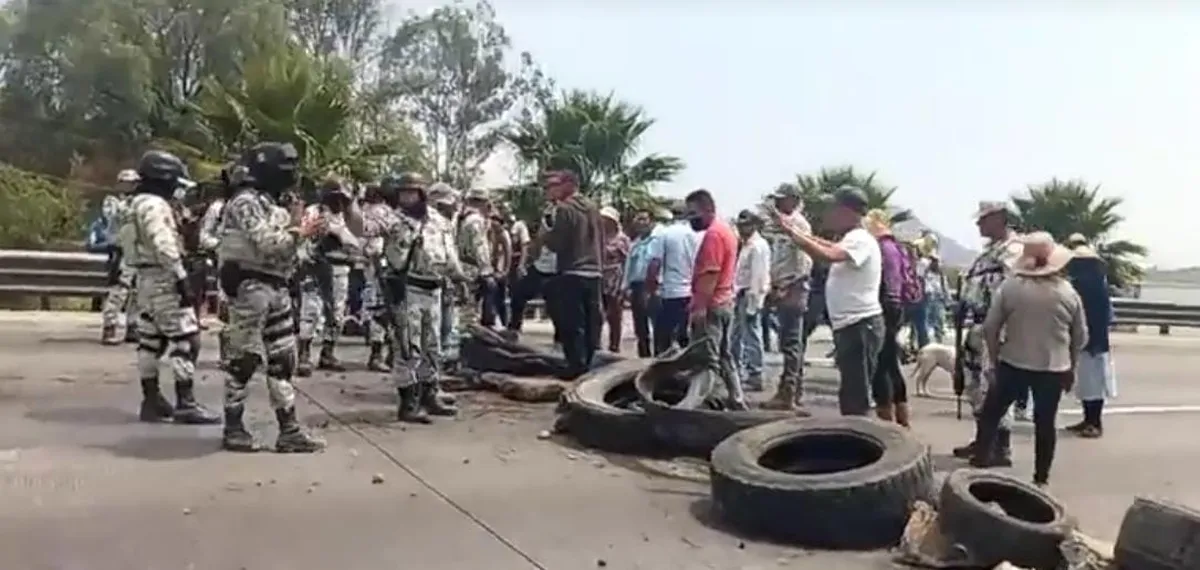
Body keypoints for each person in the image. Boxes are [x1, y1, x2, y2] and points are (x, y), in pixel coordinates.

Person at [218, 141, 326, 453]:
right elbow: (267, 243)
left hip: (277, 286)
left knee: (282, 360)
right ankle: (234, 427)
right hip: (250, 287)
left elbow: (290, 251)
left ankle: (289, 430)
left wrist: (306, 236)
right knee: (244, 359)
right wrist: (299, 231)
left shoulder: (274, 205)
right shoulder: (245, 203)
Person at [350, 172, 463, 422]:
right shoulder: (393, 219)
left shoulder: (438, 220)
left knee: (432, 345)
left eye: (412, 192)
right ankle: (408, 402)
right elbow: (363, 228)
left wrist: (459, 277)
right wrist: (351, 204)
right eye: (402, 193)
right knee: (408, 347)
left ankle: (430, 394)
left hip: (434, 288)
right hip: (407, 289)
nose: (407, 197)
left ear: (422, 194)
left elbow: (449, 252)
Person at [975, 232, 1086, 487]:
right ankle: (1041, 478)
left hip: (1013, 362)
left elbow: (990, 328)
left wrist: (993, 361)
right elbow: (1080, 336)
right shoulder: (1069, 293)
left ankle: (980, 463)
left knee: (991, 414)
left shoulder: (1010, 287)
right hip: (1053, 367)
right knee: (1045, 424)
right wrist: (1072, 367)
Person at [122, 150, 220, 426]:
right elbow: (162, 243)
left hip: (143, 279)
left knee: (150, 342)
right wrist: (180, 277)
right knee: (187, 340)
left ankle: (151, 400)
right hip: (164, 278)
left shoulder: (132, 204)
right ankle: (185, 402)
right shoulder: (154, 205)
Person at [773, 186, 883, 417]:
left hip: (860, 325)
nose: (829, 213)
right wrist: (795, 231)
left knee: (856, 395)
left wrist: (794, 235)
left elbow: (829, 255)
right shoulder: (851, 238)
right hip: (851, 325)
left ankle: (860, 443)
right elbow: (828, 246)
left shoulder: (860, 239)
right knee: (851, 392)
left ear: (846, 211)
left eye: (833, 208)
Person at [952, 201, 1024, 464]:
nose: (978, 225)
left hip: (998, 329)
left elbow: (1012, 290)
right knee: (976, 388)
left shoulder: (1013, 251)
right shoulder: (989, 252)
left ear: (1000, 219)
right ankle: (984, 439)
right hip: (977, 327)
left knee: (994, 387)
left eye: (984, 220)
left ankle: (999, 447)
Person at [685, 190, 744, 409]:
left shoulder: (713, 235)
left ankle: (694, 405)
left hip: (712, 304)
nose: (690, 218)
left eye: (693, 213)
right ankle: (737, 399)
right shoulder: (727, 231)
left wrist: (699, 307)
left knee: (706, 359)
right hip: (725, 302)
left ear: (708, 210)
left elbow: (710, 273)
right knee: (724, 355)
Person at [542, 170, 603, 378]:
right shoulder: (593, 208)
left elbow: (558, 243)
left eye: (555, 185)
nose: (552, 190)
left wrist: (545, 234)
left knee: (573, 323)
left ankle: (576, 367)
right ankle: (591, 363)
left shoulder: (564, 209)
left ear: (569, 184)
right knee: (591, 322)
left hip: (572, 271)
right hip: (594, 271)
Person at [296, 178, 360, 376]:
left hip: (340, 268)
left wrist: (339, 235)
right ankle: (304, 355)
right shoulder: (315, 212)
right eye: (335, 198)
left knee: (337, 312)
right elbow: (301, 238)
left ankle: (327, 352)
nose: (339, 203)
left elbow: (357, 242)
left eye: (342, 199)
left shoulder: (349, 217)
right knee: (311, 311)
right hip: (316, 267)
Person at [761, 183, 814, 411]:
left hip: (793, 288)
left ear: (793, 200)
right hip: (783, 287)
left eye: (782, 200)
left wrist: (786, 286)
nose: (778, 204)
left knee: (792, 343)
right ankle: (791, 390)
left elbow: (803, 262)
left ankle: (789, 392)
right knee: (789, 342)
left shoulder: (799, 225)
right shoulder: (784, 227)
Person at [865, 209, 918, 425]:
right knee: (890, 363)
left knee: (880, 366)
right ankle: (902, 416)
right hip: (896, 307)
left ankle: (886, 417)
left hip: (885, 306)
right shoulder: (896, 247)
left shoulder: (882, 248)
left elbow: (887, 281)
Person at [1063, 233, 1116, 439]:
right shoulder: (1090, 280)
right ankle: (1088, 419)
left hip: (1094, 339)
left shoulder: (1091, 283)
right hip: (1086, 337)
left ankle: (1095, 422)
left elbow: (1098, 314)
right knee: (1086, 382)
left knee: (1093, 382)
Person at [647, 202, 702, 355]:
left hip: (670, 292)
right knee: (685, 337)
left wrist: (651, 290)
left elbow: (654, 263)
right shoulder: (696, 235)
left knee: (663, 338)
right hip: (691, 292)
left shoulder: (664, 234)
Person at [100, 169, 141, 345]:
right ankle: (109, 326)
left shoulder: (138, 203)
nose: (130, 186)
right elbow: (113, 216)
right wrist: (129, 202)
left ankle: (133, 326)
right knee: (118, 291)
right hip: (119, 250)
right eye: (126, 183)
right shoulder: (112, 201)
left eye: (133, 183)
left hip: (136, 251)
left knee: (137, 291)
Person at [730, 210, 771, 392]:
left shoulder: (757, 246)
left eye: (745, 225)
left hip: (749, 294)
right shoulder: (746, 245)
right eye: (740, 225)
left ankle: (755, 374)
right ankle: (739, 371)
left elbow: (758, 276)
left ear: (754, 225)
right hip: (741, 293)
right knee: (738, 335)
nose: (742, 228)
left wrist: (754, 302)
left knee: (751, 335)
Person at [361, 182, 395, 372]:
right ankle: (378, 355)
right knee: (383, 308)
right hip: (380, 263)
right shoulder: (385, 212)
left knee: (376, 306)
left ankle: (383, 353)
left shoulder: (361, 212)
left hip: (370, 263)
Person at [428, 182, 463, 371]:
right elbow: (448, 258)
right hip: (436, 281)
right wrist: (459, 278)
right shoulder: (440, 224)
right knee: (441, 326)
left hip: (430, 282)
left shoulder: (420, 220)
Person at [457, 188, 496, 334]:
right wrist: (487, 271)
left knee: (465, 310)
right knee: (471, 313)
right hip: (473, 268)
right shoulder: (476, 221)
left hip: (462, 266)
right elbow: (480, 248)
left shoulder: (461, 218)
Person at [623, 209, 660, 357]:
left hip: (652, 286)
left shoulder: (657, 241)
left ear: (651, 222)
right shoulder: (635, 244)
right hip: (637, 287)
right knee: (640, 325)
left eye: (644, 219)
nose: (641, 222)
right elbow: (628, 267)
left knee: (656, 323)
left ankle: (658, 356)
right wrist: (625, 287)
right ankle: (643, 356)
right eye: (638, 219)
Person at [599, 206, 630, 352]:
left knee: (615, 314)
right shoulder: (598, 237)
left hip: (616, 278)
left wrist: (625, 282)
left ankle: (614, 345)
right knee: (598, 312)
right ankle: (596, 344)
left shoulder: (621, 239)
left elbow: (626, 261)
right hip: (600, 276)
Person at [484, 209, 512, 328]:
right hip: (492, 269)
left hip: (500, 270)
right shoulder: (490, 233)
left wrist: (505, 271)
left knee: (501, 299)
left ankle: (504, 323)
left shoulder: (503, 234)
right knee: (493, 298)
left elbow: (508, 253)